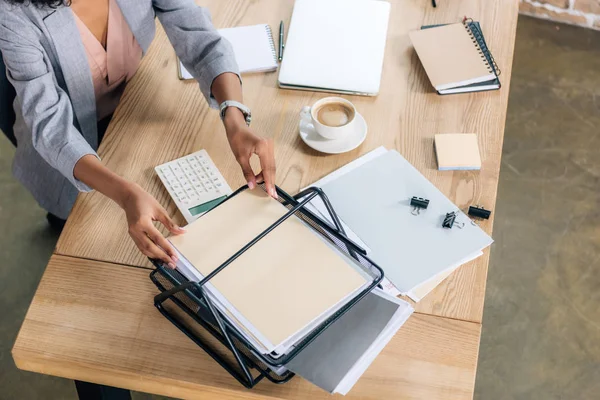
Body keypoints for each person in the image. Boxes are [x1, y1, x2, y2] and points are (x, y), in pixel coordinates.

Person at [0, 0, 277, 269]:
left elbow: (199, 35)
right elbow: (49, 124)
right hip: (66, 149)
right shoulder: (12, 14)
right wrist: (126, 194)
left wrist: (234, 117)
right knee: (83, 238)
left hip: (132, 108)